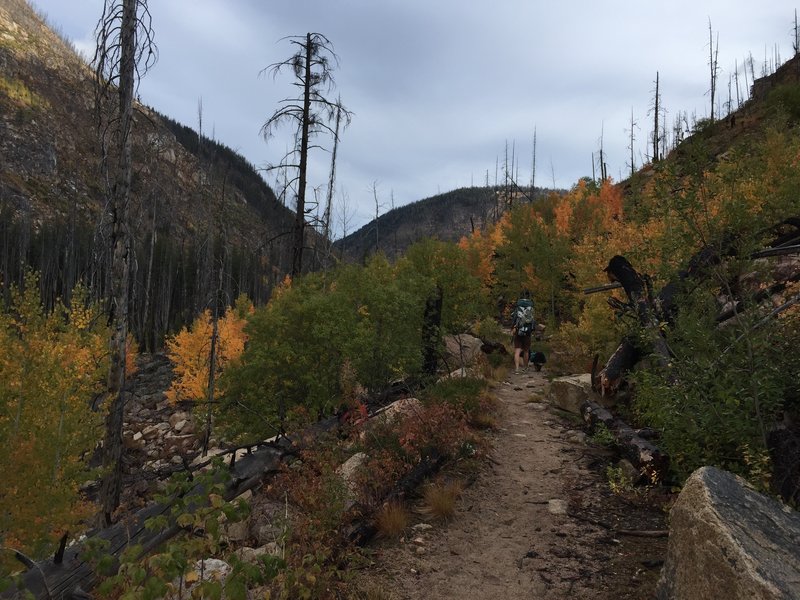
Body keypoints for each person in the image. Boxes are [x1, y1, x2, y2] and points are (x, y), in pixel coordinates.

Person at [511, 290, 534, 374]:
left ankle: (517, 369)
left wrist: (513, 328)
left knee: (517, 351)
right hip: (527, 333)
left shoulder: (518, 309)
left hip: (518, 332)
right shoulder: (530, 309)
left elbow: (513, 318)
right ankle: (525, 368)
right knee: (526, 351)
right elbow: (533, 321)